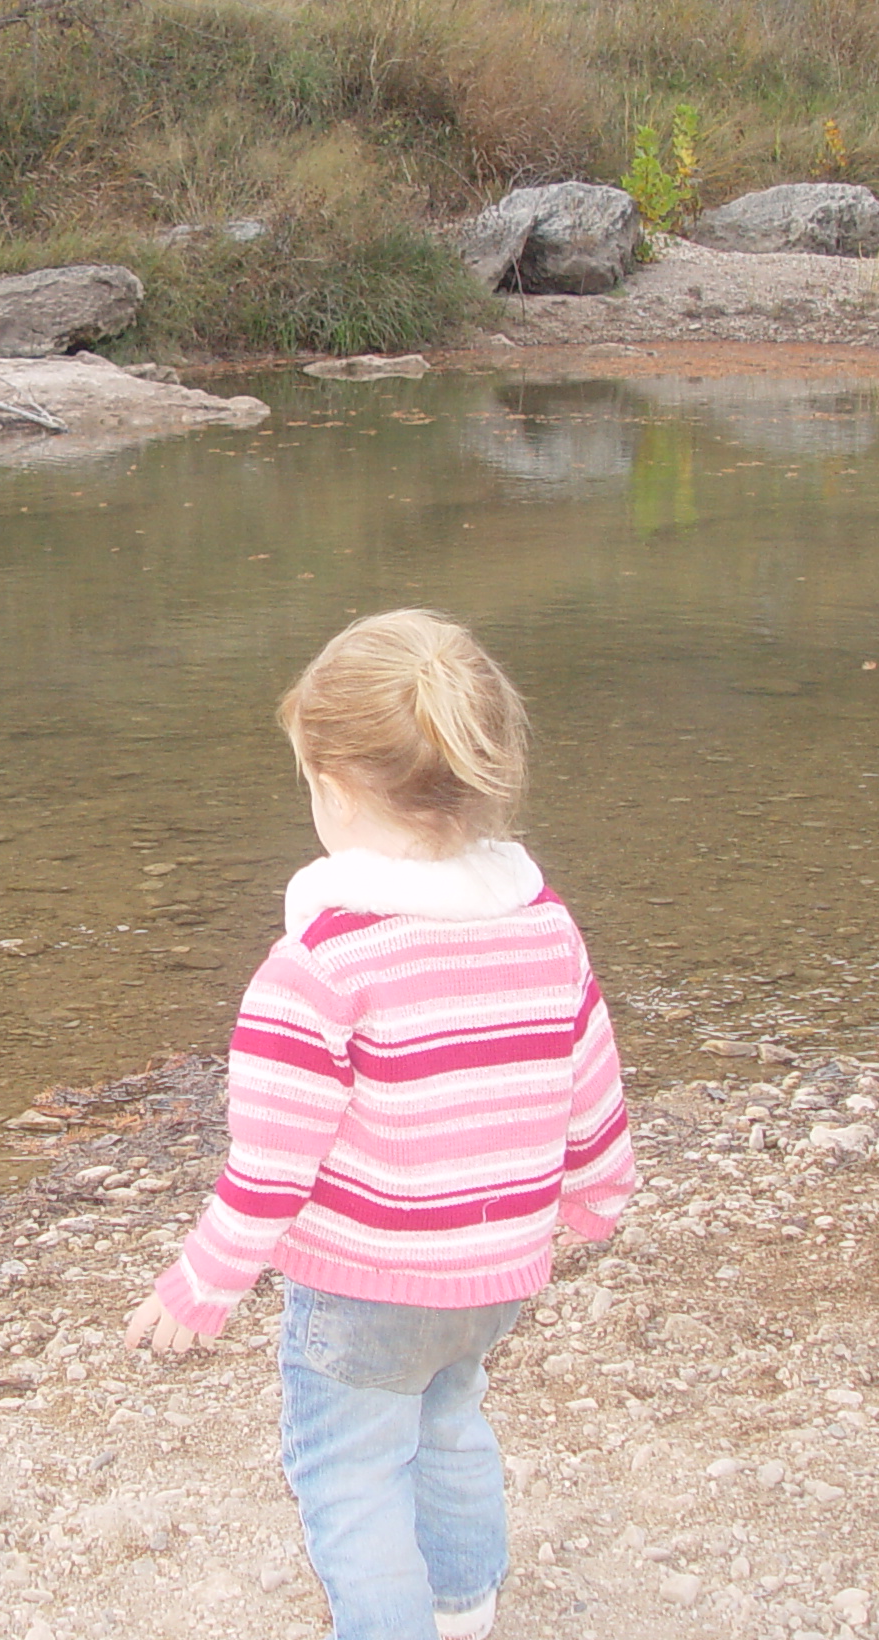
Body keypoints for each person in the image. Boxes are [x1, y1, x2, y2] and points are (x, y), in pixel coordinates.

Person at [123, 608, 636, 1640]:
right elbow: (589, 1074)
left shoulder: (319, 967)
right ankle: (464, 1603)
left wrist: (201, 1285)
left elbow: (269, 1169)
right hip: (496, 1265)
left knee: (348, 1468)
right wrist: (594, 1188)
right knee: (447, 1420)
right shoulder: (542, 923)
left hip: (365, 1284)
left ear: (333, 783)